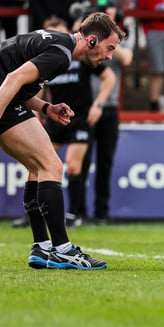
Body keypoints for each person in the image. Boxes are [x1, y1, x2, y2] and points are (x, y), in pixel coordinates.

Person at [0, 12, 125, 270]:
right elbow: (12, 79)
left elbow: (14, 78)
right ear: (93, 41)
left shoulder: (58, 44)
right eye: (109, 48)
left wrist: (46, 107)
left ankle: (42, 248)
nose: (109, 56)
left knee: (37, 168)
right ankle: (62, 249)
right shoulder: (61, 54)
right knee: (52, 166)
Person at [41, 16, 116, 227]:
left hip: (79, 118)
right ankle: (36, 213)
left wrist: (98, 105)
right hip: (55, 118)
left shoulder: (81, 55)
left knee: (73, 166)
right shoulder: (49, 57)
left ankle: (74, 214)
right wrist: (40, 110)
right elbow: (41, 86)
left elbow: (109, 77)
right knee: (39, 164)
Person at [85, 1, 134, 225]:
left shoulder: (120, 39)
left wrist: (111, 33)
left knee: (105, 162)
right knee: (82, 161)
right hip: (86, 105)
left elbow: (126, 59)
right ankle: (78, 211)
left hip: (110, 107)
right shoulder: (89, 39)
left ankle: (101, 212)